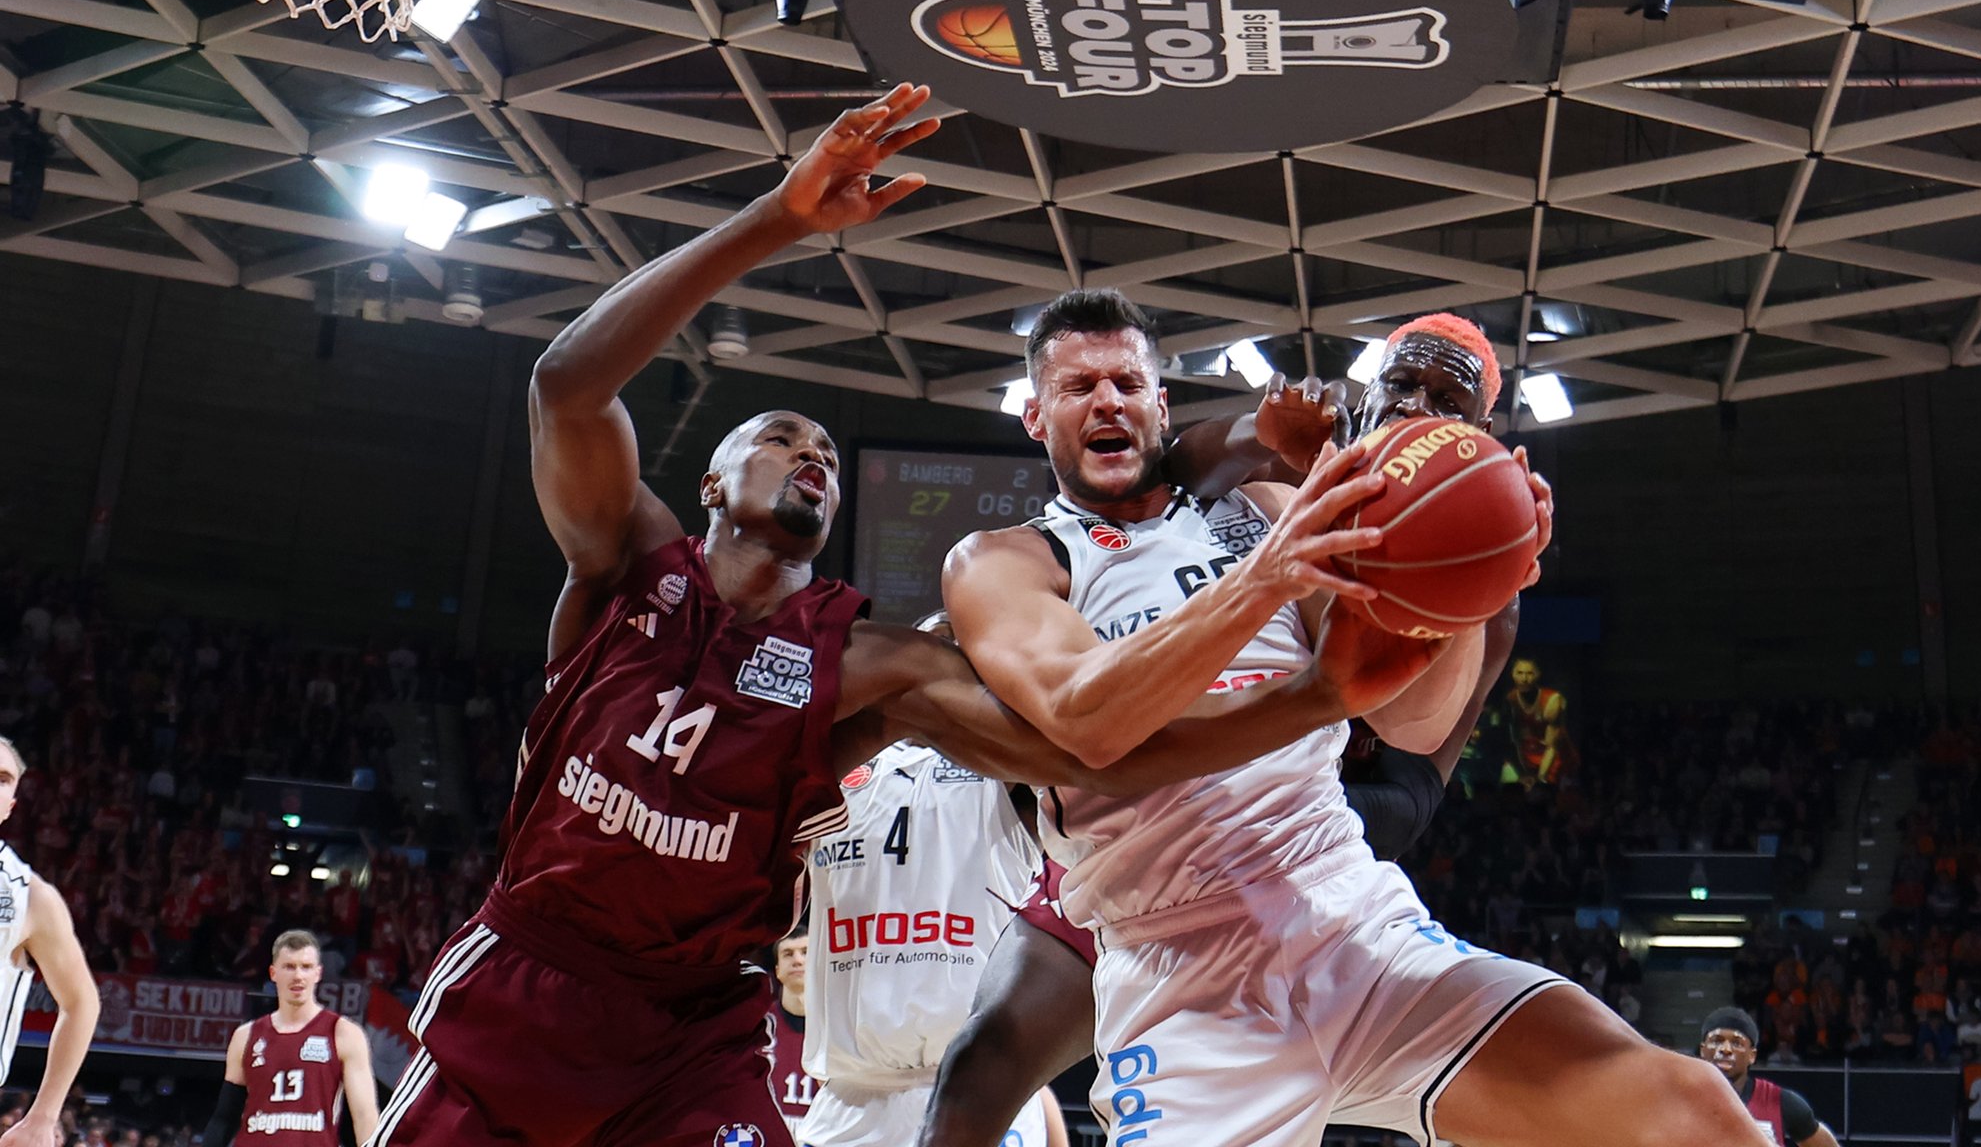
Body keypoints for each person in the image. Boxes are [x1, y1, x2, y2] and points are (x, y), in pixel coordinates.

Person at [371, 84, 1435, 1147]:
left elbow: (1094, 756)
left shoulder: (869, 663)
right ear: (708, 481)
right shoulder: (620, 569)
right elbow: (565, 384)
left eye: (828, 455)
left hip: (694, 1037)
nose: (814, 457)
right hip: (529, 986)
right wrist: (778, 221)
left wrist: (1316, 697)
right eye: (784, 436)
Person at [939, 297, 1762, 1147]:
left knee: (1688, 1111)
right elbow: (1087, 717)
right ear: (1037, 415)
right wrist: (1263, 580)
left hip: (1345, 910)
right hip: (1180, 957)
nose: (1107, 401)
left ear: (1160, 405)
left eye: (1126, 382)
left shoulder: (1268, 505)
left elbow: (1409, 723)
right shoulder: (1005, 561)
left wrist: (1465, 581)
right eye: (1079, 386)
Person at [917, 328, 1522, 1147]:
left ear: (1482, 432)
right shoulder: (1285, 481)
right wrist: (1262, 433)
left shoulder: (1486, 562)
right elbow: (1183, 458)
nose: (1417, 409)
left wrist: (1454, 593)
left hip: (1350, 811)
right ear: (1367, 395)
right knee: (979, 1071)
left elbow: (1414, 736)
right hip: (1151, 863)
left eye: (1450, 405)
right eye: (1403, 386)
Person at [799, 616, 1064, 1147]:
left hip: (984, 1093)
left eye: (963, 655)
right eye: (934, 648)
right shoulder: (832, 766)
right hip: (852, 1099)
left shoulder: (1009, 768)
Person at [0, 736, 100, 1147]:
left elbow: (82, 1002)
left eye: (4, 779)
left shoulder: (30, 896)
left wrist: (43, 1116)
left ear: (10, 805)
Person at [204, 931, 380, 1147]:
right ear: (273, 973)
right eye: (289, 967)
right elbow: (224, 1119)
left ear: (318, 973)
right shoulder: (246, 1036)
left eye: (305, 967)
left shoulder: (343, 1033)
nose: (298, 976)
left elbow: (365, 1117)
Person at [1700, 1007, 1841, 1147]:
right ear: (1703, 1050)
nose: (1725, 1049)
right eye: (1717, 1040)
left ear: (1752, 1055)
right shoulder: (1681, 1100)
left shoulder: (1779, 1102)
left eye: (1737, 1043)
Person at [768, 930, 816, 1138]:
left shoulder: (840, 1025)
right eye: (788, 954)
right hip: (770, 1134)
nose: (797, 960)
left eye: (805, 952)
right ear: (777, 970)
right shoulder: (757, 1025)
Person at [1503, 657, 1575, 785]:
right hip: (1528, 760)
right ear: (1512, 674)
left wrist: (1541, 778)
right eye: (1519, 673)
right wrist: (1523, 773)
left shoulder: (1551, 701)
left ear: (1538, 675)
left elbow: (1552, 746)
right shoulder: (1511, 699)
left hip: (1556, 762)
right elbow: (1517, 740)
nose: (1524, 679)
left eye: (1529, 673)